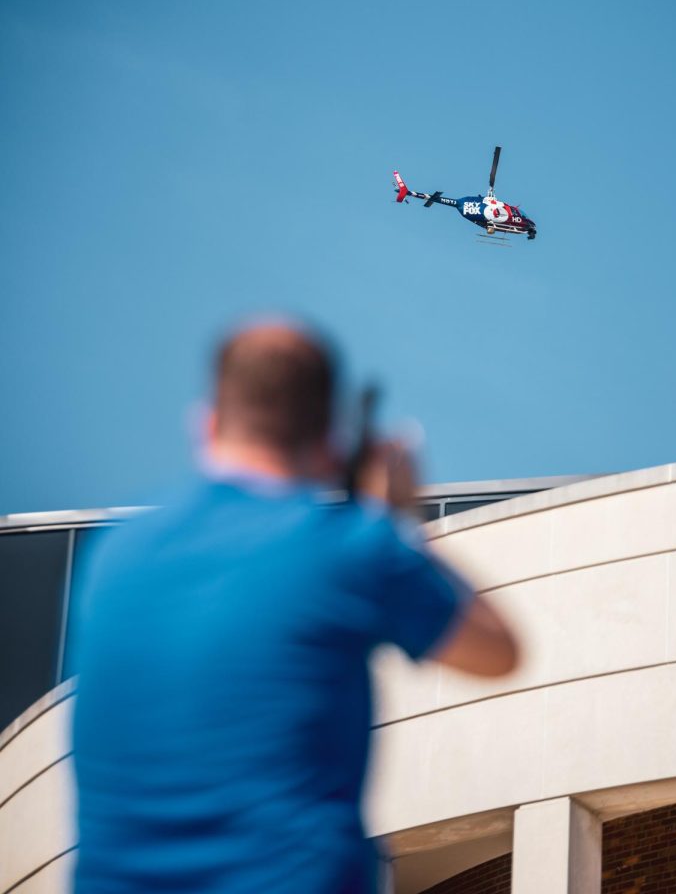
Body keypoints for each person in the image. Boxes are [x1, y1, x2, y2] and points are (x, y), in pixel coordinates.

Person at [71, 322, 519, 894]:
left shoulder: (113, 557)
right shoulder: (353, 547)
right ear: (331, 443)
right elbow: (498, 651)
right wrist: (399, 523)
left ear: (206, 423)